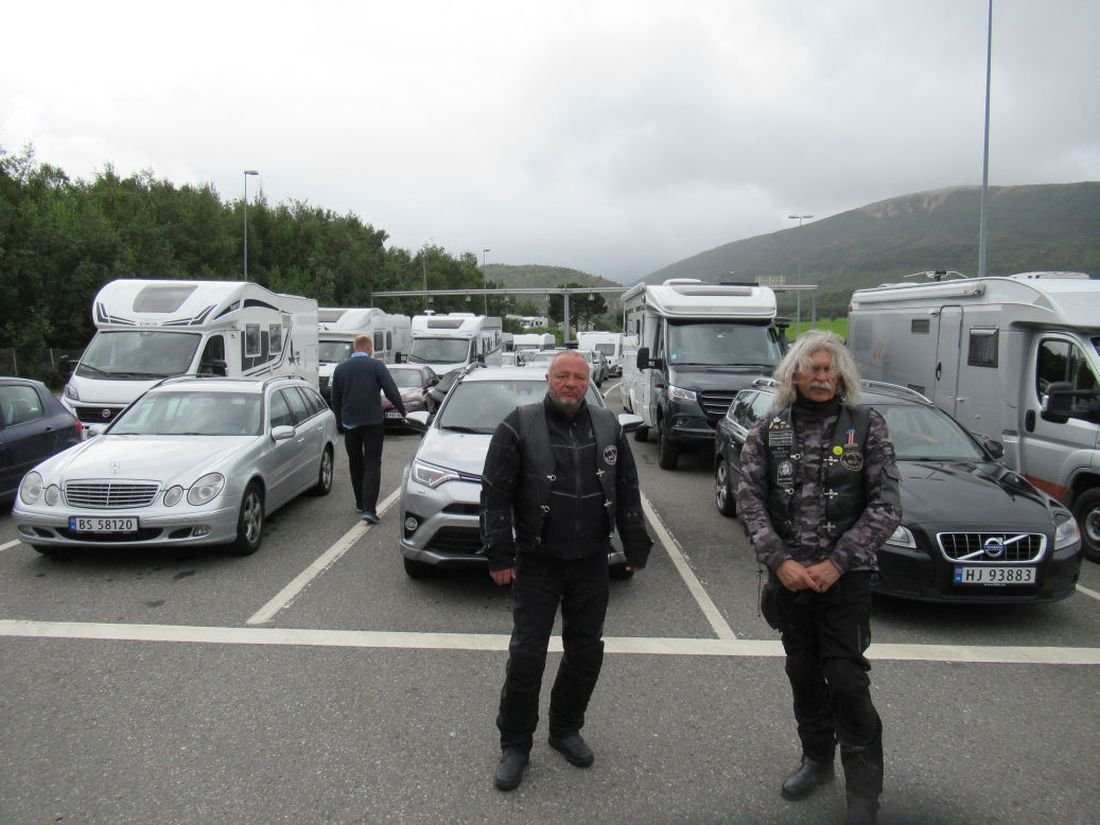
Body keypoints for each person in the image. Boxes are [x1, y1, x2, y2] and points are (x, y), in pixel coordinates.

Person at [736, 330, 901, 825]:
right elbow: (749, 500)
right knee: (803, 674)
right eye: (812, 369)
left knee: (847, 682)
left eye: (829, 369)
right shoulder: (768, 429)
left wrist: (839, 561)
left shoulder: (866, 426)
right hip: (789, 580)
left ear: (841, 375)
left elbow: (886, 506)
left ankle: (864, 795)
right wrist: (778, 560)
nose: (822, 377)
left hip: (844, 579)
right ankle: (816, 761)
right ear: (795, 375)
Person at [480, 350, 653, 792]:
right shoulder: (518, 425)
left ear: (588, 382)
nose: (570, 383)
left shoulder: (608, 426)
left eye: (578, 377)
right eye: (562, 376)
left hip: (592, 561)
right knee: (526, 656)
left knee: (586, 652)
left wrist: (635, 546)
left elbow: (628, 489)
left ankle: (565, 728)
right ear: (548, 379)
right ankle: (515, 743)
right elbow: (495, 495)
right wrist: (499, 554)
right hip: (537, 561)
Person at [330, 335, 407, 524]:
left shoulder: (340, 369)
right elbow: (391, 390)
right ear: (368, 347)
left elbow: (335, 398)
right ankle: (369, 509)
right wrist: (403, 411)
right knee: (372, 464)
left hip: (350, 423)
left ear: (355, 347)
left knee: (355, 463)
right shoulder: (376, 366)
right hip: (373, 422)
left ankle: (360, 502)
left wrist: (339, 421)